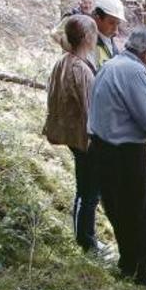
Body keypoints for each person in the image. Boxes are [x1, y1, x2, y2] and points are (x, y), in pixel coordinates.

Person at [87, 28, 146, 288]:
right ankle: (140, 274)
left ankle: (128, 265)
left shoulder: (111, 65)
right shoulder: (134, 71)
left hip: (102, 149)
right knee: (141, 213)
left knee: (120, 211)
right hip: (125, 153)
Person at [42, 15, 101, 253]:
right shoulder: (79, 68)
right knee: (89, 192)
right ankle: (87, 242)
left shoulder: (64, 61)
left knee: (84, 189)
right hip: (84, 138)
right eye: (94, 34)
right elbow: (90, 110)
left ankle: (84, 237)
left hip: (74, 135)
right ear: (87, 37)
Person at [92, 0, 126, 70]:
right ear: (97, 18)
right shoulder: (88, 44)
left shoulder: (108, 40)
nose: (115, 30)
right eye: (111, 23)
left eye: (118, 23)